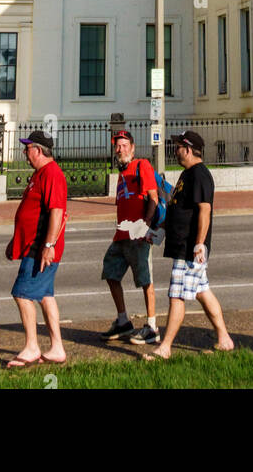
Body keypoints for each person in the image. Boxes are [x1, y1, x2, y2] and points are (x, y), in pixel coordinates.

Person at [148, 130, 233, 359]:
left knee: (176, 296)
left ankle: (165, 347)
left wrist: (199, 244)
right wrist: (158, 232)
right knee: (203, 291)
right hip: (182, 245)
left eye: (177, 147)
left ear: (188, 149)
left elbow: (205, 210)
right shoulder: (187, 174)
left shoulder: (200, 175)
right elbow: (178, 209)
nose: (174, 151)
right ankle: (224, 339)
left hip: (189, 249)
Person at [4, 129, 68, 367]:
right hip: (34, 245)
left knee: (21, 293)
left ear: (39, 150)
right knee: (45, 296)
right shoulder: (40, 174)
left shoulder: (52, 173)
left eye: (27, 148)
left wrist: (48, 245)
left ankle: (32, 347)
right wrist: (15, 240)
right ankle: (57, 348)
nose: (24, 152)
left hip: (40, 248)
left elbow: (57, 211)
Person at [100, 129, 161, 344]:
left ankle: (152, 326)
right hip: (121, 235)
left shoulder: (141, 165)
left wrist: (145, 226)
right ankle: (123, 321)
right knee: (110, 272)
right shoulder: (122, 173)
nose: (120, 149)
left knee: (145, 280)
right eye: (117, 146)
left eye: (124, 145)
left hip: (139, 235)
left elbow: (153, 197)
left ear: (133, 148)